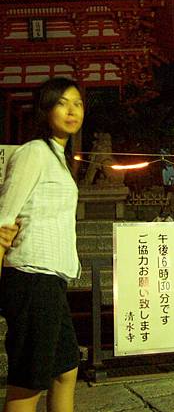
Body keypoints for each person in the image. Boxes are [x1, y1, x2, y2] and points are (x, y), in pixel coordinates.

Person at [0, 77, 84, 412]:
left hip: (52, 279)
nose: (72, 110)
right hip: (32, 275)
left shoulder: (60, 158)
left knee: (66, 369)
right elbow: (4, 217)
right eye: (62, 102)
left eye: (77, 103)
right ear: (45, 108)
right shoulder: (33, 152)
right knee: (29, 380)